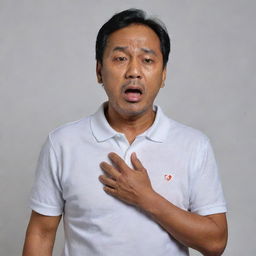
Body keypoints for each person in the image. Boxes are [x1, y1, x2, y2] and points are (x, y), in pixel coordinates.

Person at [23, 8, 228, 256]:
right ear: (99, 70)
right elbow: (41, 233)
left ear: (163, 74)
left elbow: (215, 242)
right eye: (120, 58)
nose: (134, 71)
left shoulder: (194, 145)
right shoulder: (62, 144)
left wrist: (147, 198)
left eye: (148, 60)